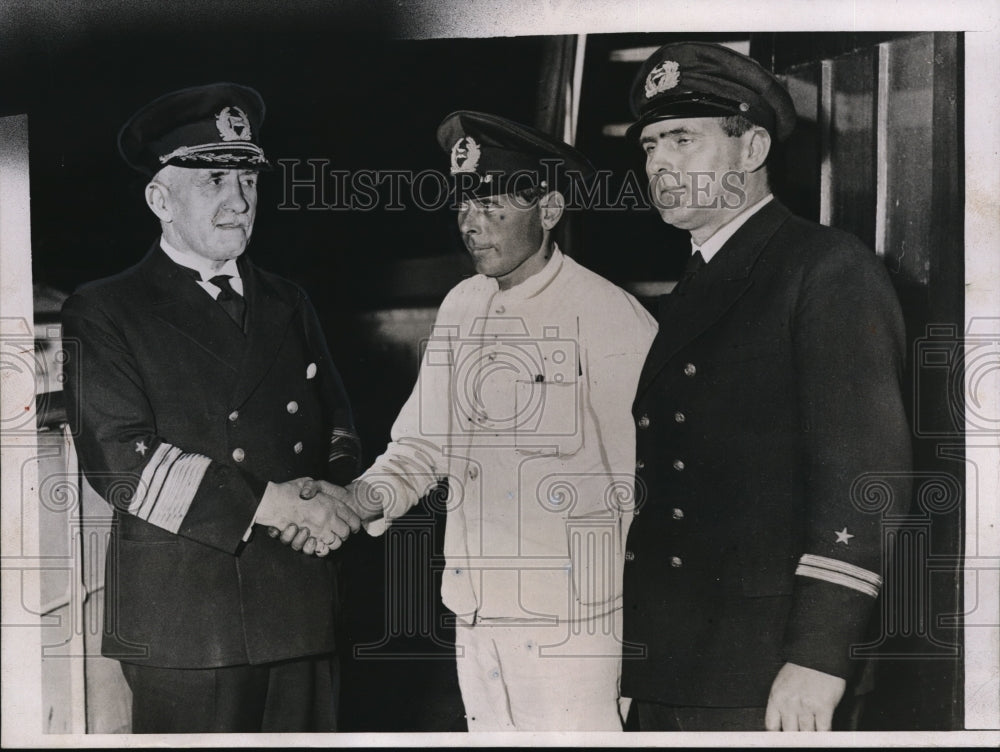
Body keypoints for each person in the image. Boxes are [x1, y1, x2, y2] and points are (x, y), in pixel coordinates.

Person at [295, 111, 657, 730]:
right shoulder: (462, 305)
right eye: (463, 203)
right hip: (476, 615)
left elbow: (647, 489)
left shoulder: (610, 317)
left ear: (549, 209)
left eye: (491, 204)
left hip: (573, 629)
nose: (470, 222)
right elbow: (422, 444)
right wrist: (356, 500)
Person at [619, 42, 913, 731]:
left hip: (769, 666)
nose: (658, 163)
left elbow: (863, 479)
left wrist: (819, 656)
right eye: (651, 145)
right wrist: (645, 670)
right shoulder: (698, 281)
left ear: (751, 148)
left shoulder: (825, 269)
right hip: (682, 662)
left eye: (683, 139)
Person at [61, 82, 363, 733]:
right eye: (214, 181)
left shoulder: (288, 300)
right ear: (160, 200)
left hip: (301, 594)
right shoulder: (106, 309)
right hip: (187, 620)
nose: (239, 201)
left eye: (248, 179)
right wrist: (278, 505)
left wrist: (332, 503)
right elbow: (122, 461)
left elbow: (338, 425)